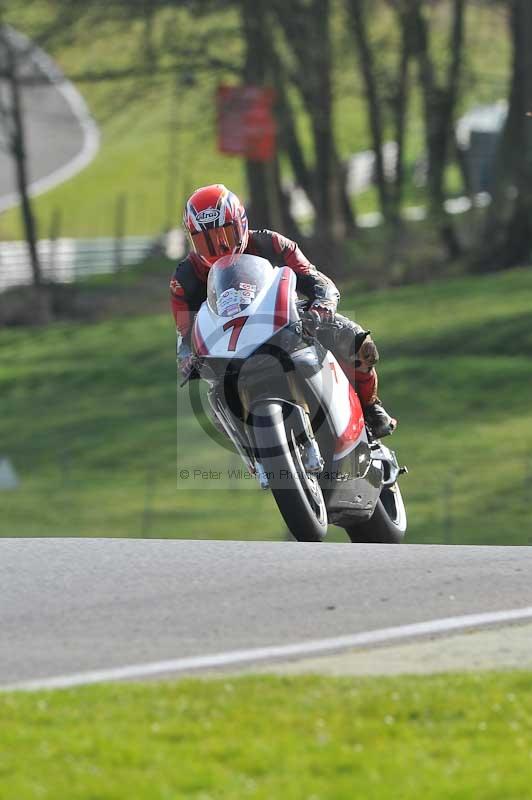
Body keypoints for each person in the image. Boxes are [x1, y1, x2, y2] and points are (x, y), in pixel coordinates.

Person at [170, 183, 396, 438]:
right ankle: (254, 454)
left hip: (284, 319)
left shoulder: (272, 243)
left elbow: (318, 282)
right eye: (205, 241)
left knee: (362, 346)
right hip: (228, 343)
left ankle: (371, 407)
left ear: (241, 224)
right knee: (215, 400)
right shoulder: (184, 279)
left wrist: (320, 308)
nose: (217, 248)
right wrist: (188, 357)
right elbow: (184, 332)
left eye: (225, 236)